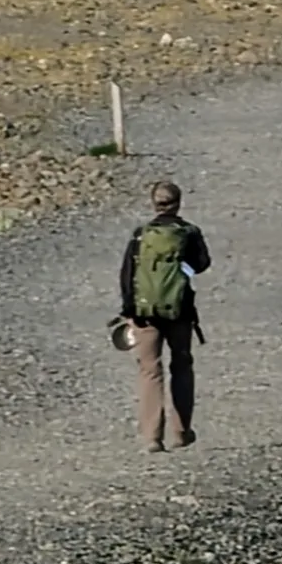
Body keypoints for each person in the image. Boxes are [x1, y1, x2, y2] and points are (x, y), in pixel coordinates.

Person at [116, 179, 209, 450]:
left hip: (145, 312)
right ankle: (181, 432)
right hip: (179, 310)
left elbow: (127, 275)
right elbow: (202, 263)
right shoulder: (189, 232)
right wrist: (181, 272)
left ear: (153, 203)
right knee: (181, 366)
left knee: (149, 371)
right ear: (179, 203)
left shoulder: (140, 235)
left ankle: (152, 436)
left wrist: (128, 311)